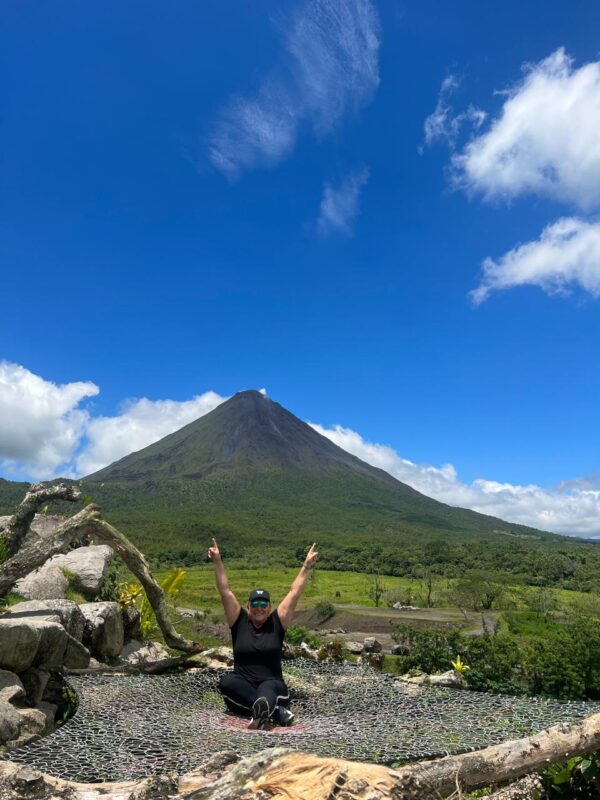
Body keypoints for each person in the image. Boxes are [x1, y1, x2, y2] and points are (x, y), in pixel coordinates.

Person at [207, 537, 319, 729]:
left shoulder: (277, 622)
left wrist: (306, 566)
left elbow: (294, 593)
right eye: (255, 604)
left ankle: (263, 709)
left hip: (273, 685)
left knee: (267, 688)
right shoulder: (239, 621)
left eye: (263, 604)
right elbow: (225, 591)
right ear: (248, 607)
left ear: (269, 607)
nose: (259, 607)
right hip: (244, 688)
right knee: (227, 681)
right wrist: (217, 561)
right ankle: (274, 712)